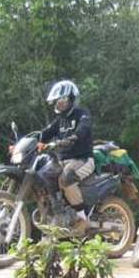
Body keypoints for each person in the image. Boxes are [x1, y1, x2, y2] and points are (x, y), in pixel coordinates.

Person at [38, 79, 94, 233]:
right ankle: (58, 212)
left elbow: (83, 129)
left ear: (71, 99)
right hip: (64, 161)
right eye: (57, 101)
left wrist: (72, 138)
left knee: (66, 177)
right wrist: (28, 141)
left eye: (62, 100)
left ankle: (83, 219)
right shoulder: (60, 120)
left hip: (82, 159)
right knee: (44, 175)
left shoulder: (82, 114)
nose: (59, 103)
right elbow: (44, 133)